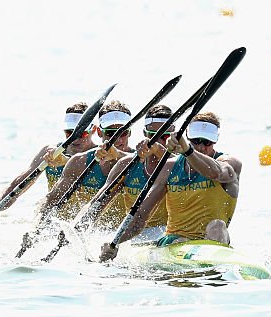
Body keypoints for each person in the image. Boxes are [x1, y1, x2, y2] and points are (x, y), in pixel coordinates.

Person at [99, 111, 241, 261]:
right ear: (188, 137)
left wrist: (188, 151)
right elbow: (140, 218)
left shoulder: (230, 164)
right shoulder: (169, 168)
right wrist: (115, 243)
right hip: (176, 241)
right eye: (196, 141)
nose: (201, 146)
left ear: (216, 140)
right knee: (180, 240)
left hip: (212, 240)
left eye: (207, 142)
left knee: (217, 226)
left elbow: (215, 173)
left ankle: (213, 274)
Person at [0, 102, 95, 229]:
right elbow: (16, 186)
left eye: (82, 134)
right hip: (53, 221)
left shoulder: (104, 156)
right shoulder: (49, 153)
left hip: (86, 227)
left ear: (94, 130)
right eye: (70, 133)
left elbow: (80, 164)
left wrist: (66, 161)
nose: (75, 139)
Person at [82, 104, 174, 243]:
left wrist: (159, 150)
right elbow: (97, 203)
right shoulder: (126, 164)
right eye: (153, 136)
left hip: (168, 235)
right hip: (132, 235)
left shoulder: (182, 164)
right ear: (144, 134)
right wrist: (78, 228)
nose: (160, 141)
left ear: (174, 135)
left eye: (165, 136)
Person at [36, 100, 134, 228]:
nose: (118, 139)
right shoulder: (80, 161)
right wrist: (35, 230)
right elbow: (50, 200)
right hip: (93, 231)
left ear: (130, 133)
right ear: (99, 132)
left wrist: (118, 155)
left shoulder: (143, 159)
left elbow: (166, 163)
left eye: (123, 132)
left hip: (128, 232)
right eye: (110, 133)